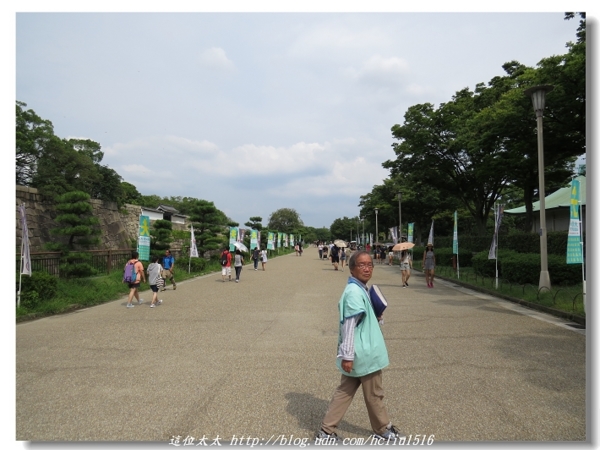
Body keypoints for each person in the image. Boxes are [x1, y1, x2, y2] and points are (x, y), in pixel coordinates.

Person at [316, 250, 401, 443]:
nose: (367, 268)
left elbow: (362, 320)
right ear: (352, 268)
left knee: (344, 392)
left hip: (358, 353)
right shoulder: (355, 292)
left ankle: (326, 432)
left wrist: (376, 315)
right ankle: (382, 430)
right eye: (362, 265)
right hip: (364, 353)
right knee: (374, 394)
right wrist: (347, 355)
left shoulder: (360, 288)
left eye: (370, 265)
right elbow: (349, 325)